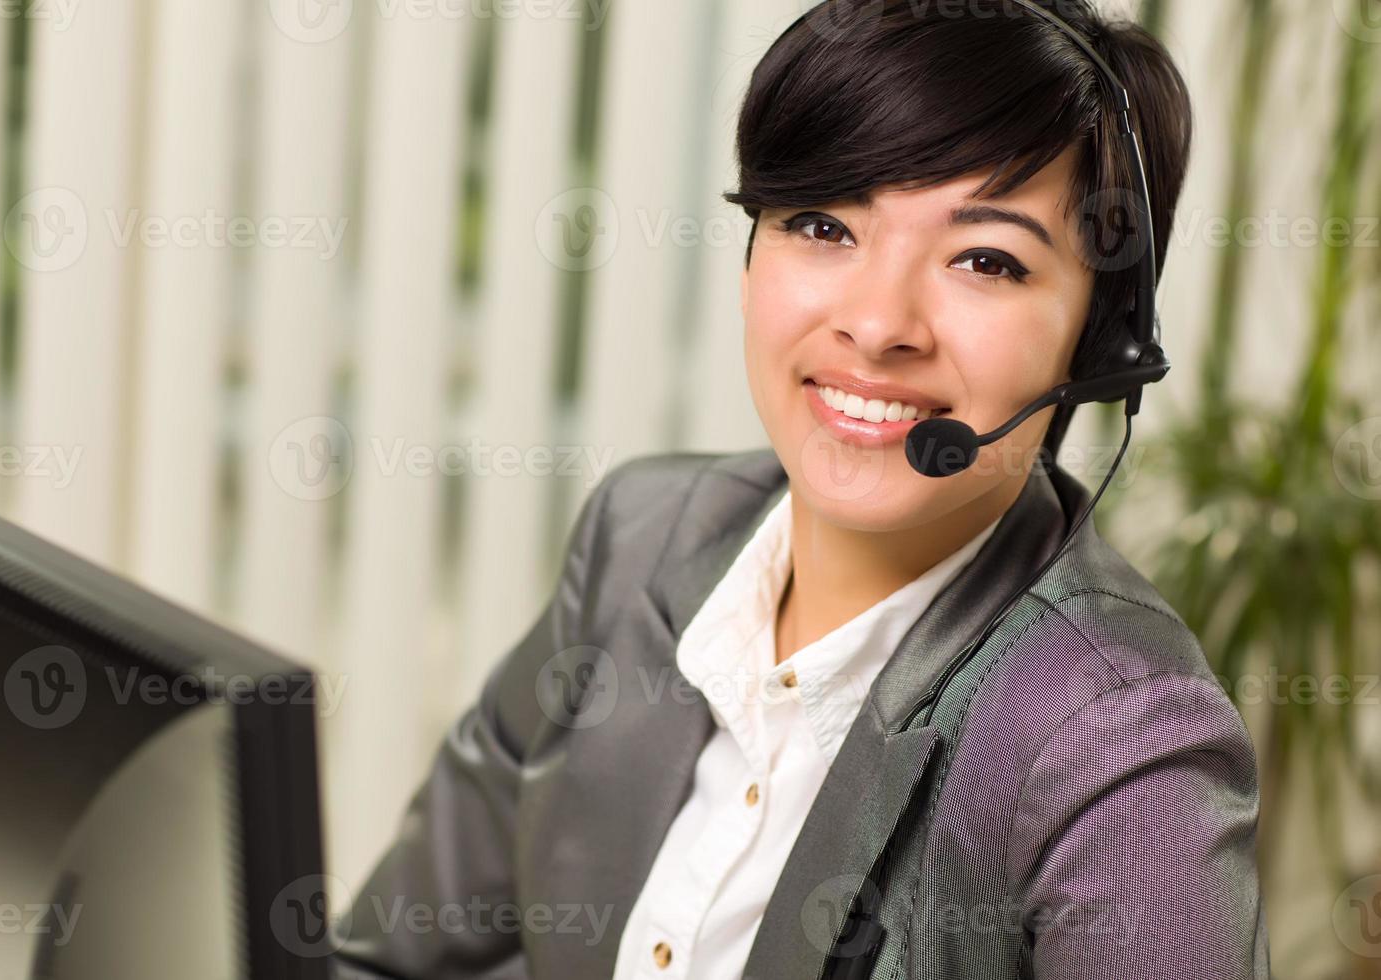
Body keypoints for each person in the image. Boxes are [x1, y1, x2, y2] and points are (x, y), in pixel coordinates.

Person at [332, 1, 1268, 977]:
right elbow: (391, 956)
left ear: (1100, 341)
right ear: (750, 260)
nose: (877, 323)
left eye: (986, 259)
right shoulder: (641, 537)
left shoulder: (1125, 743)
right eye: (822, 224)